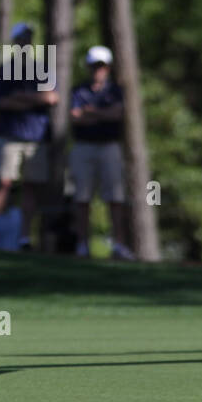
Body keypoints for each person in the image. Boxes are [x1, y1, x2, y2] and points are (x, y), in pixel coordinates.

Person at [0, 22, 57, 251]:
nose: (26, 42)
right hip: (10, 135)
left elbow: (52, 98)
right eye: (22, 38)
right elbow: (2, 102)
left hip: (36, 137)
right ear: (15, 42)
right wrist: (34, 97)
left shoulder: (42, 68)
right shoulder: (4, 69)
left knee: (31, 186)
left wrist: (22, 97)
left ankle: (24, 238)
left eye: (28, 38)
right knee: (3, 182)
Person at [70, 45, 134, 260]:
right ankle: (82, 244)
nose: (98, 70)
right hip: (83, 146)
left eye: (102, 66)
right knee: (82, 198)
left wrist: (91, 112)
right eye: (95, 66)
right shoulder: (79, 91)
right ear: (89, 67)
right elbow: (75, 116)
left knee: (115, 198)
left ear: (108, 68)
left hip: (109, 147)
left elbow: (117, 114)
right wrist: (101, 114)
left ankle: (119, 244)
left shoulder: (115, 91)